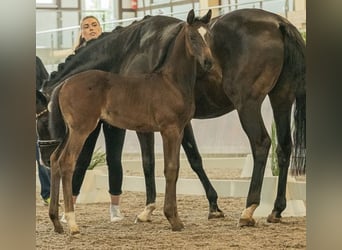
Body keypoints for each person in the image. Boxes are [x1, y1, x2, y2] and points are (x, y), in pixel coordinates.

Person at [52, 16, 124, 222]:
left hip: (114, 111)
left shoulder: (113, 53)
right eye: (86, 27)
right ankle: (70, 204)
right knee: (81, 158)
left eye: (94, 25)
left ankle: (115, 208)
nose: (91, 29)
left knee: (114, 158)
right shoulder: (77, 57)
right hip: (86, 112)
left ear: (101, 29)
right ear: (81, 33)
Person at [36, 56, 51, 206]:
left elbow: (46, 81)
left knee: (41, 156)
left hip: (36, 115)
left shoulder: (35, 61)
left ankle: (47, 193)